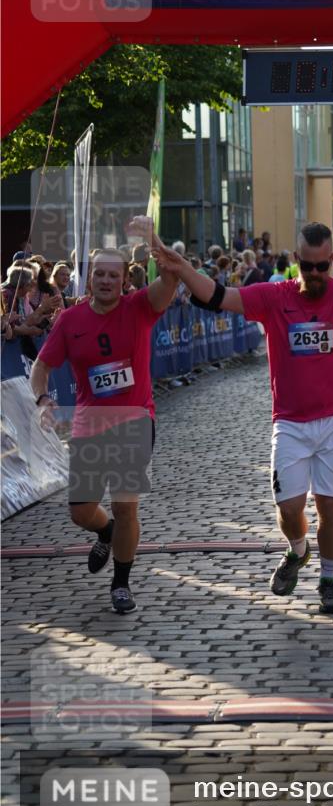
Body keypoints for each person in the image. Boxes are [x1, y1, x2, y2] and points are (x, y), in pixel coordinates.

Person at [152, 219, 333, 614]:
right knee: (289, 508)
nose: (314, 274)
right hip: (290, 423)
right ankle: (298, 550)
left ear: (332, 260)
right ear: (296, 260)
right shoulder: (275, 297)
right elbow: (219, 295)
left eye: (321, 266)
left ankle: (329, 580)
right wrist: (183, 270)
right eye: (307, 266)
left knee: (331, 507)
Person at [30, 222, 180, 615]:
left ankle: (121, 583)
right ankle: (106, 531)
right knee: (81, 511)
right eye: (99, 274)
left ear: (125, 279)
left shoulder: (141, 307)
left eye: (114, 275)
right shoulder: (70, 320)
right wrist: (43, 398)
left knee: (126, 504)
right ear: (89, 277)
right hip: (89, 422)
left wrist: (153, 241)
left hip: (135, 418)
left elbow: (170, 277)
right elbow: (40, 368)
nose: (106, 281)